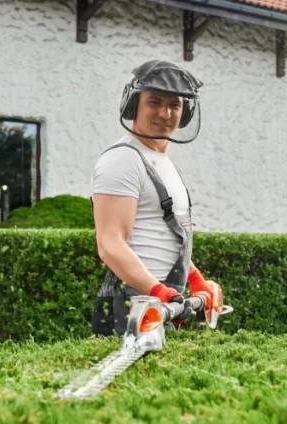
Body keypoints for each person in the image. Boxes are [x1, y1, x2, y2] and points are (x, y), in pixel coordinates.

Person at [89, 59, 222, 337]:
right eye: (155, 102)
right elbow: (109, 243)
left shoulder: (161, 161)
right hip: (131, 305)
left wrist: (196, 280)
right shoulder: (123, 159)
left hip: (162, 303)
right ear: (133, 105)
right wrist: (158, 290)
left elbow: (168, 235)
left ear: (185, 113)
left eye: (175, 105)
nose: (165, 113)